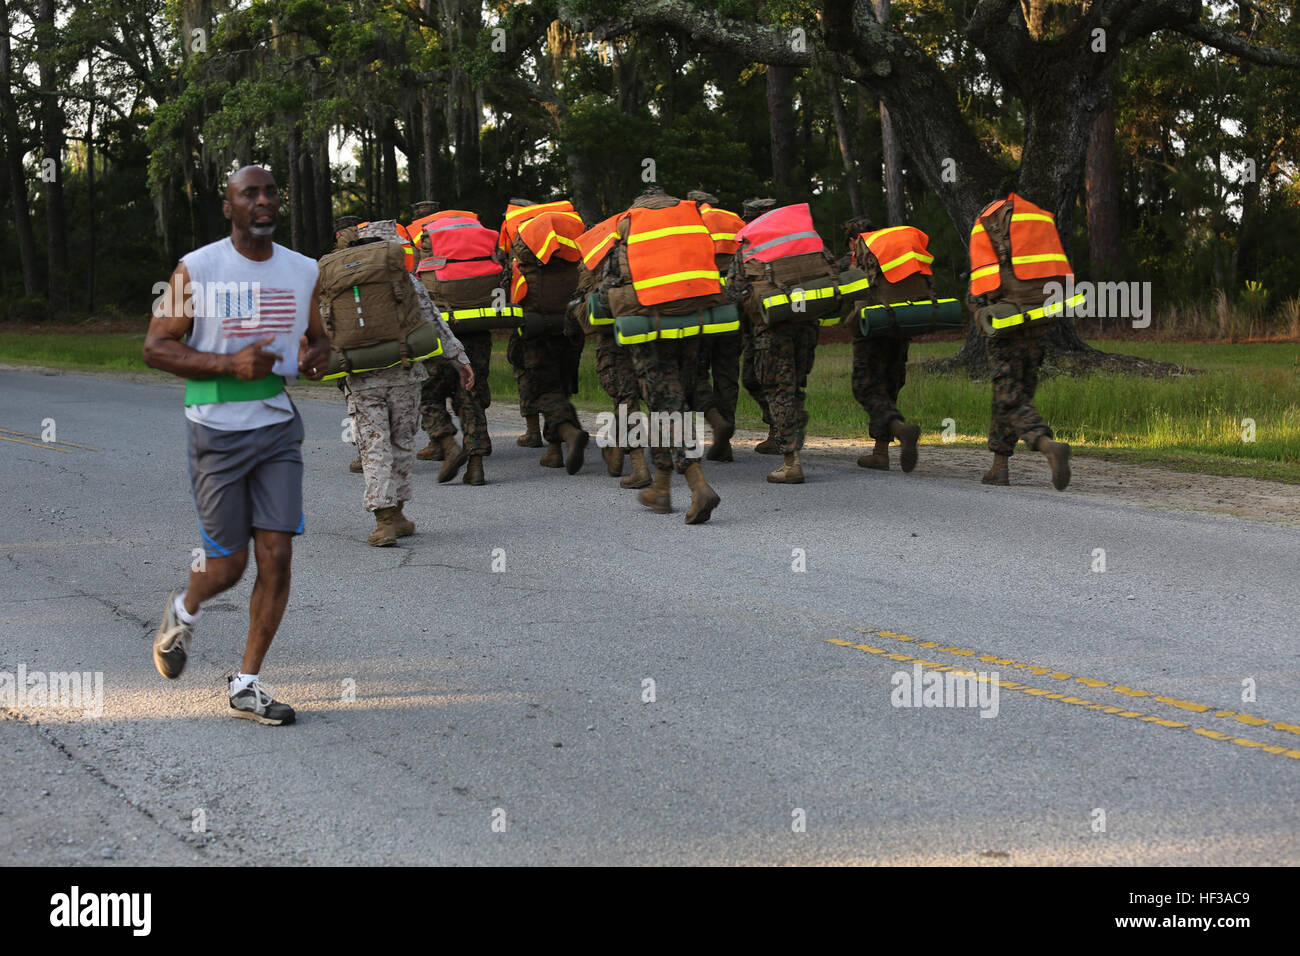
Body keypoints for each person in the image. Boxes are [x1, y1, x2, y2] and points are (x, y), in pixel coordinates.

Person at [142, 165, 330, 726]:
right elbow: (155, 347)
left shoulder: (303, 270)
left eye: (272, 191)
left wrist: (319, 357)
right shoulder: (196, 268)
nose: (264, 200)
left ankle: (247, 684)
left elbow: (317, 339)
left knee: (278, 554)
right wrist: (228, 362)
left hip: (276, 427)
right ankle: (183, 610)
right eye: (250, 193)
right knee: (228, 565)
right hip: (216, 430)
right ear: (229, 207)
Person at [334, 220, 475, 542]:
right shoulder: (407, 281)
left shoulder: (341, 282)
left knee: (373, 446)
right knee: (401, 442)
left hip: (361, 377)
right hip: (404, 373)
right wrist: (460, 359)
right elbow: (434, 321)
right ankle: (394, 512)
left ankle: (386, 519)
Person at [967, 191, 1072, 489]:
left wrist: (980, 308)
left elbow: (984, 278)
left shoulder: (987, 222)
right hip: (1040, 315)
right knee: (1014, 389)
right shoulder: (1038, 216)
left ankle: (1046, 444)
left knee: (1009, 396)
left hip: (1007, 317)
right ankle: (999, 467)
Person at [845, 216, 923, 472]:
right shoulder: (891, 250)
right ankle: (880, 453)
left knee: (865, 386)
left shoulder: (861, 255)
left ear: (852, 239)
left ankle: (901, 430)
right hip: (901, 324)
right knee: (889, 385)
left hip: (873, 329)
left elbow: (854, 293)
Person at [687, 189, 745, 462]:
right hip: (734, 305)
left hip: (704, 303)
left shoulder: (691, 222)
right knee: (727, 371)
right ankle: (726, 438)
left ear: (695, 205)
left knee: (694, 370)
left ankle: (713, 418)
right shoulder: (735, 220)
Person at [737, 198, 779, 453]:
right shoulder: (800, 240)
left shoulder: (747, 247)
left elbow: (735, 289)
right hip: (799, 325)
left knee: (761, 379)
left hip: (765, 328)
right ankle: (779, 430)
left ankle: (783, 439)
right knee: (783, 383)